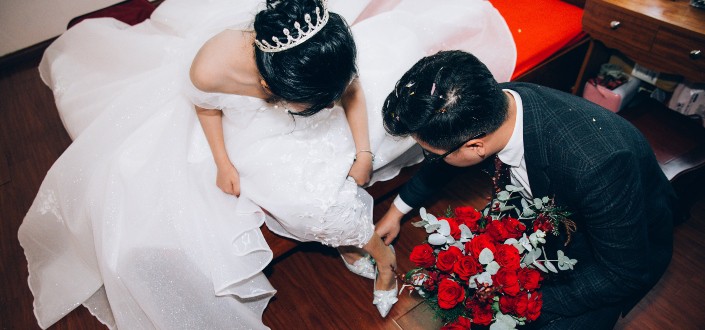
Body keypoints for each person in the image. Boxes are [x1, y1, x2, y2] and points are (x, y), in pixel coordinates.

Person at [19, 0, 516, 328]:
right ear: (273, 88)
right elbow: (208, 106)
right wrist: (221, 161)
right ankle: (380, 259)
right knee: (307, 197)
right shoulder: (210, 66)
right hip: (252, 131)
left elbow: (352, 91)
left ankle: (368, 252)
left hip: (304, 104)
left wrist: (362, 153)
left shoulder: (321, 59)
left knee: (380, 132)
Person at [377, 50, 676, 329]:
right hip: (544, 210)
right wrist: (396, 210)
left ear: (476, 146)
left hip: (608, 254)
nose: (430, 159)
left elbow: (624, 274)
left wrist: (514, 303)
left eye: (429, 154)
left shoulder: (597, 166)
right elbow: (444, 155)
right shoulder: (485, 104)